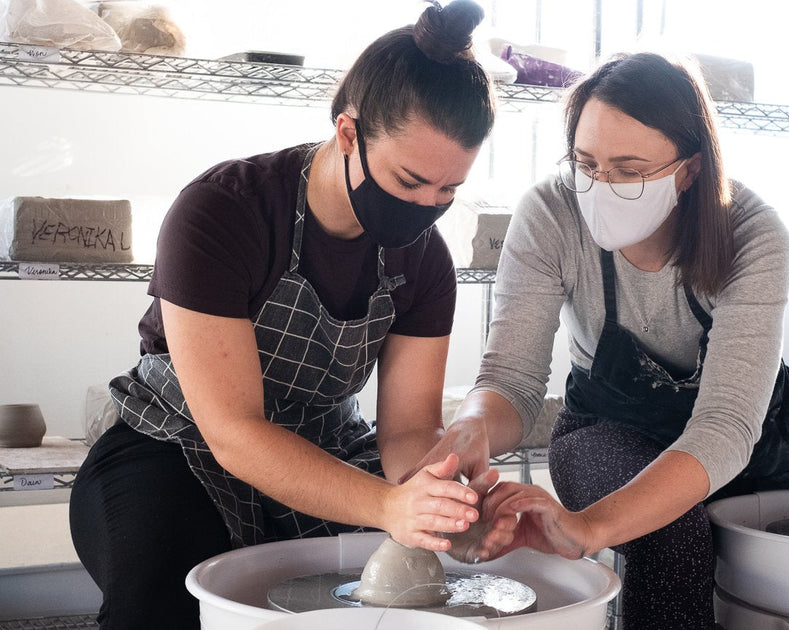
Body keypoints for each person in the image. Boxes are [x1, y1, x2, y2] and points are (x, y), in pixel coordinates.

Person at [411, 52, 789, 629]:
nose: (600, 185)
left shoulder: (750, 232)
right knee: (671, 531)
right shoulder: (551, 213)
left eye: (629, 169)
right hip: (609, 432)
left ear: (689, 169)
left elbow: (725, 426)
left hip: (761, 435)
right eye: (585, 162)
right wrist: (471, 427)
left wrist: (591, 528)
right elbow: (511, 382)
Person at [68, 2, 508, 628]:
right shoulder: (223, 212)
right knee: (163, 605)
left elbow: (408, 431)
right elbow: (235, 432)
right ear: (349, 132)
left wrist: (439, 504)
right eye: (409, 181)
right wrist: (390, 506)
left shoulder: (426, 260)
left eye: (448, 191)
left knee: (384, 604)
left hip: (328, 446)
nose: (426, 206)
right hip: (175, 442)